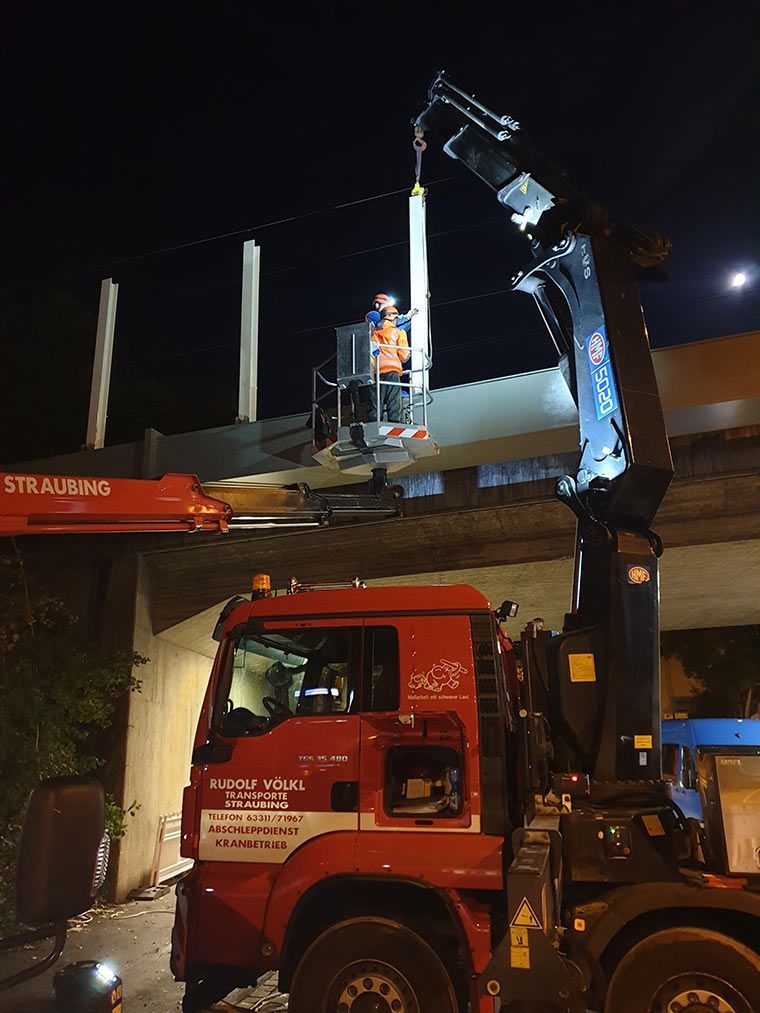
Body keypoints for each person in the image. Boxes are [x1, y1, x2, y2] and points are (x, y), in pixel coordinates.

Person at [370, 305, 409, 423]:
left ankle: (374, 421)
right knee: (393, 399)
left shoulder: (374, 333)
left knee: (376, 400)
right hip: (392, 370)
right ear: (392, 317)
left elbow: (371, 353)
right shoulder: (398, 332)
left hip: (375, 372)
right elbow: (404, 356)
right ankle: (394, 421)